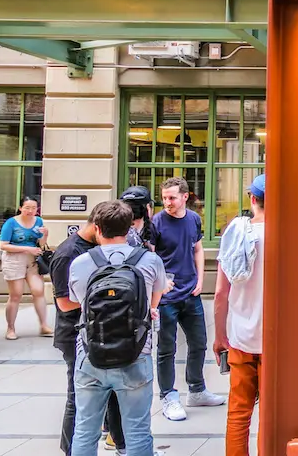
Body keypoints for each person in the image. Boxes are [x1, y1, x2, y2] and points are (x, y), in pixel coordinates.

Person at [66, 200, 167, 456]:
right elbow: (154, 303)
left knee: (85, 431)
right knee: (138, 431)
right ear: (130, 226)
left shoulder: (80, 263)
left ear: (97, 228)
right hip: (136, 354)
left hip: (91, 354)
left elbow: (78, 302)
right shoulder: (151, 260)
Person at [51, 210, 126, 455]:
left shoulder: (96, 247)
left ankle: (121, 444)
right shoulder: (68, 253)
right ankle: (71, 449)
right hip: (74, 334)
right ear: (97, 227)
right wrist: (105, 300)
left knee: (114, 392)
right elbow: (64, 302)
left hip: (99, 330)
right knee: (78, 398)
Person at [152, 177, 226, 421]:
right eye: (164, 198)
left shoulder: (193, 219)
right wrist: (160, 286)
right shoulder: (157, 222)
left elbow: (197, 248)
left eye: (171, 197)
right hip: (166, 298)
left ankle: (196, 389)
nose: (167, 202)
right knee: (166, 349)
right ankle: (168, 396)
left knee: (199, 343)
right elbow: (151, 258)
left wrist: (199, 279)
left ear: (185, 197)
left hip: (190, 292)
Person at [213, 174, 266, 456]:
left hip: (240, 337)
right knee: (271, 414)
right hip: (275, 340)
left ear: (253, 199)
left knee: (238, 412)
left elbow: (221, 293)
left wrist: (220, 335)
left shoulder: (235, 234)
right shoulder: (288, 234)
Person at [0, 195, 52, 340]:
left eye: (34, 208)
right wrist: (26, 249)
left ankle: (43, 325)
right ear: (21, 208)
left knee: (38, 290)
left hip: (33, 260)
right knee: (16, 294)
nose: (30, 211)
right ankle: (10, 328)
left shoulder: (39, 221)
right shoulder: (11, 223)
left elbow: (41, 244)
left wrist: (45, 236)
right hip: (14, 259)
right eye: (27, 208)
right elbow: (3, 245)